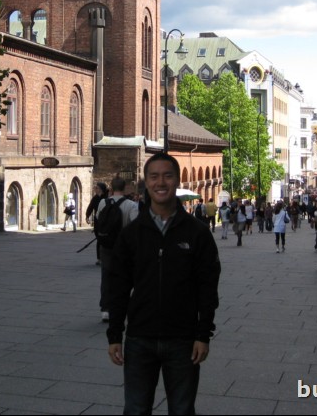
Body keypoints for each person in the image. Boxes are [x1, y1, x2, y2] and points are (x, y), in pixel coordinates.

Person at [107, 153, 220, 415]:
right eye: (154, 176)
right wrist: (115, 335)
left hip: (183, 339)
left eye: (167, 176)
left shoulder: (197, 233)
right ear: (145, 182)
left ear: (177, 181)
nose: (161, 182)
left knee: (181, 409)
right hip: (139, 338)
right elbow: (118, 288)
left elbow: (208, 287)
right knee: (135, 409)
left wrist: (203, 335)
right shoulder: (132, 234)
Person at [96, 177, 139, 323]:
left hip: (106, 245)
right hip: (124, 247)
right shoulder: (131, 205)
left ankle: (106, 309)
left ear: (112, 188)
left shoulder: (103, 202)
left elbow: (98, 218)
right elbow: (135, 226)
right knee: (125, 277)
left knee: (106, 276)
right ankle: (123, 306)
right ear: (125, 187)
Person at [86, 182, 109, 265]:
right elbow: (90, 207)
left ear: (101, 189)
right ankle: (99, 258)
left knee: (103, 240)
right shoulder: (95, 198)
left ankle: (106, 257)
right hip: (97, 222)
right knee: (99, 240)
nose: (95, 189)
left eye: (97, 188)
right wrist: (87, 216)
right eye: (95, 188)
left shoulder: (107, 197)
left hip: (106, 222)